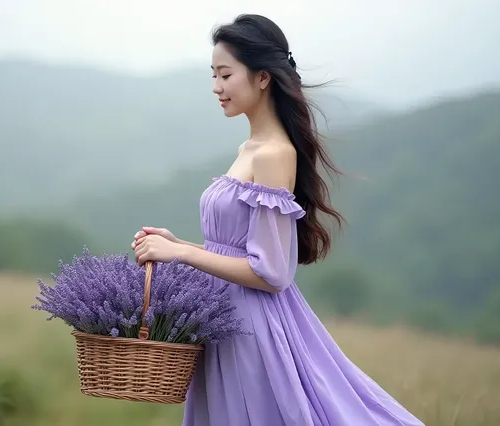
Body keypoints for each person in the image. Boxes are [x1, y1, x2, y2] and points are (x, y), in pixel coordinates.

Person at [130, 13, 424, 426]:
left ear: (263, 77)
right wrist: (180, 245)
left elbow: (270, 273)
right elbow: (234, 249)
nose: (216, 87)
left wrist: (180, 253)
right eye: (213, 75)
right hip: (221, 319)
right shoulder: (249, 147)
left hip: (250, 330)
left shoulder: (273, 154)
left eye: (226, 74)